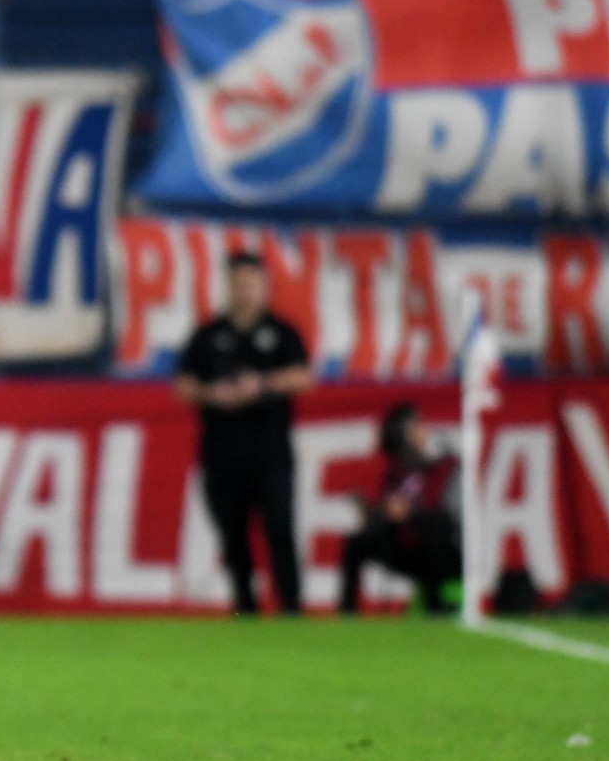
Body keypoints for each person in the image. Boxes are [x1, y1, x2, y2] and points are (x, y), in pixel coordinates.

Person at [174, 251, 312, 615]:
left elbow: (303, 376)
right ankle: (245, 606)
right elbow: (184, 383)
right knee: (233, 536)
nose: (245, 290)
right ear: (228, 286)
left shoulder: (281, 332)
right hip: (222, 453)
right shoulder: (209, 334)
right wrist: (212, 394)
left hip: (270, 454)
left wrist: (262, 385)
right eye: (238, 283)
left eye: (251, 283)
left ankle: (291, 607)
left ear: (263, 286)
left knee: (279, 528)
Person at [340, 403, 462, 615]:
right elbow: (391, 508)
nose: (424, 430)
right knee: (357, 542)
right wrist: (375, 513)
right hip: (403, 544)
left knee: (434, 525)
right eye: (418, 425)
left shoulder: (444, 464)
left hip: (442, 548)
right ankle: (347, 611)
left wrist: (412, 512)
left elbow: (446, 510)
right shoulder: (397, 469)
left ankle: (436, 603)